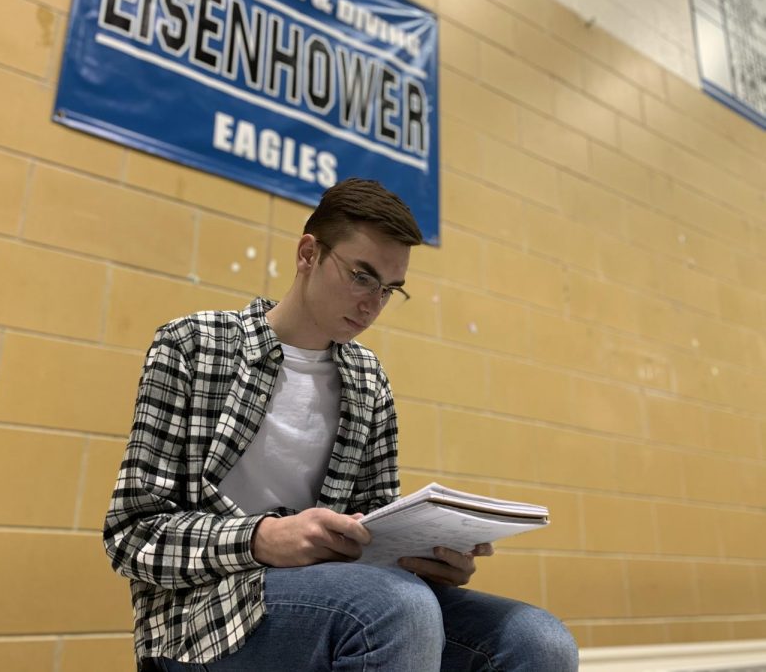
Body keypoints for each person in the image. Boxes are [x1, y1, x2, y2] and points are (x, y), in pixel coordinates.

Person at [103, 178, 579, 671]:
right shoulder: (193, 345)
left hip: (347, 597)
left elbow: (373, 530)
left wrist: (428, 555)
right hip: (201, 615)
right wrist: (261, 538)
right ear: (308, 253)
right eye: (361, 276)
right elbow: (133, 535)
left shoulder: (367, 380)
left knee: (538, 640)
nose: (373, 303)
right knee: (393, 608)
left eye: (390, 289)